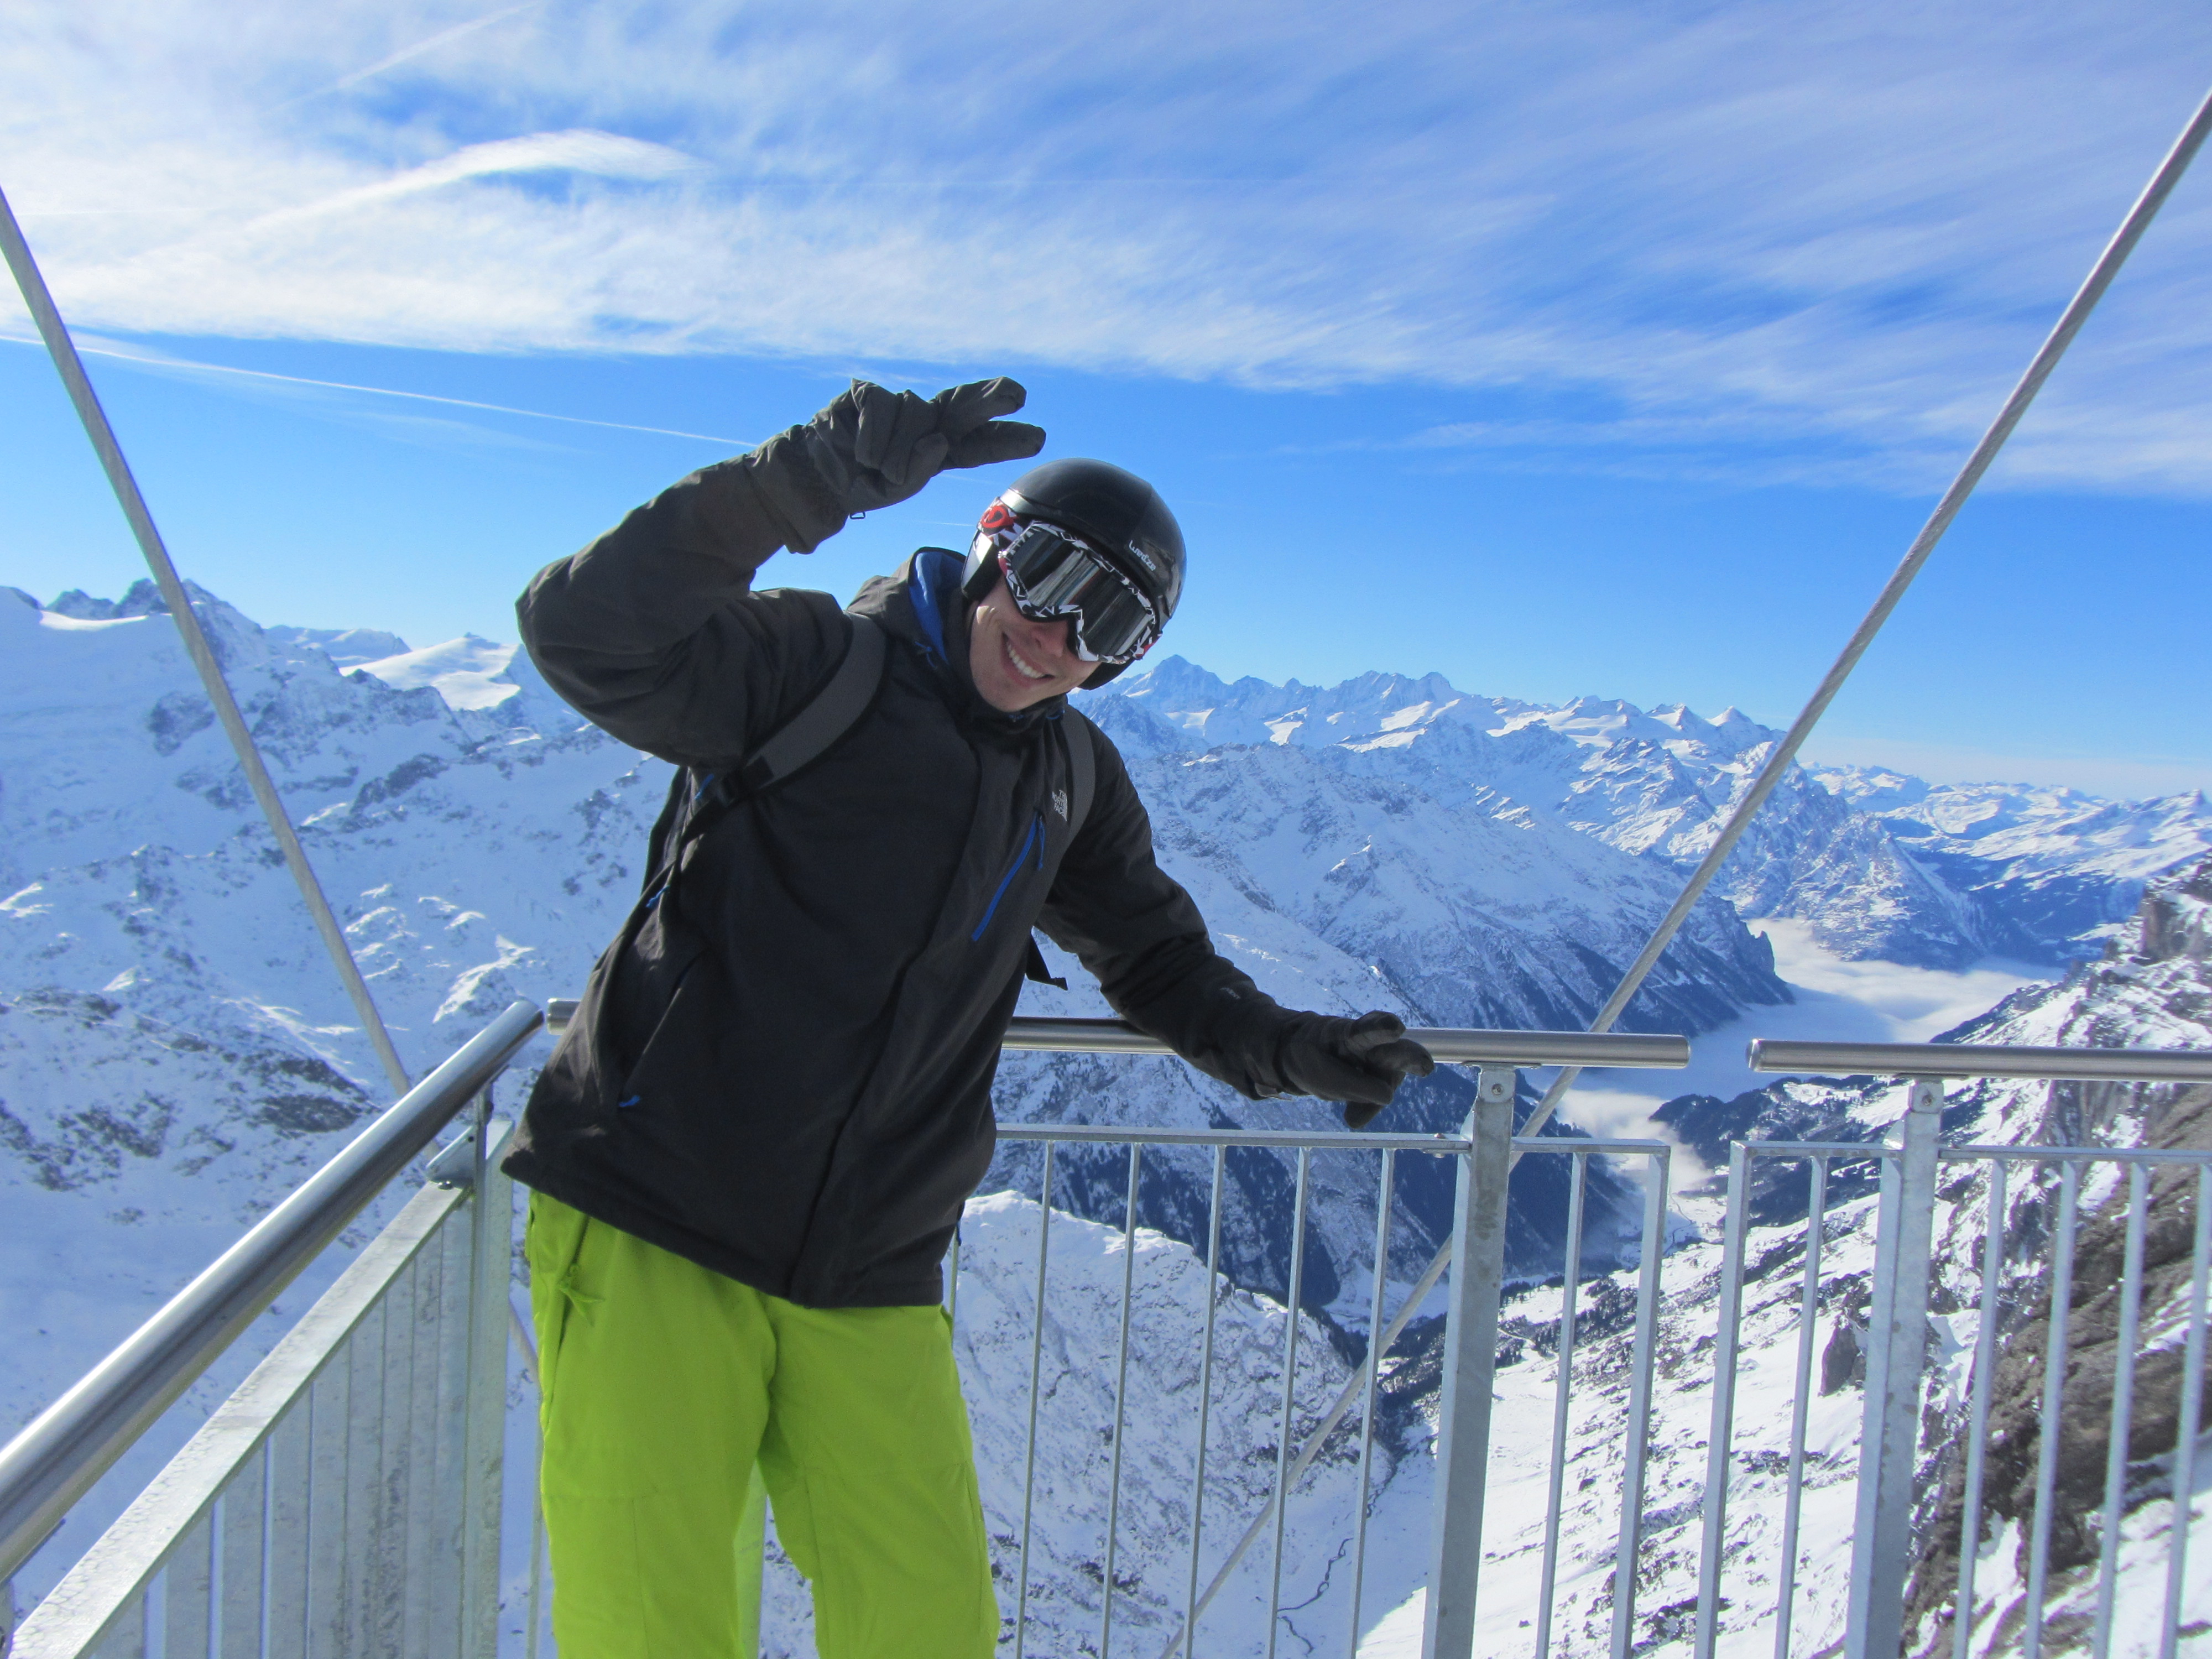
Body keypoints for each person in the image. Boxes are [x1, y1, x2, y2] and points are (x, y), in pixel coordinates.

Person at [502, 376, 1435, 1659]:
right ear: (992, 543)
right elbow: (581, 631)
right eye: (1049, 577)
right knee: (653, 1631)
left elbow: (1155, 957)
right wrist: (805, 482)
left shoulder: (1068, 776)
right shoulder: (807, 667)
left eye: (1111, 623)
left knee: (927, 1626)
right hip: (656, 1215)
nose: (1058, 636)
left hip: (870, 1263)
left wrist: (1286, 1050)